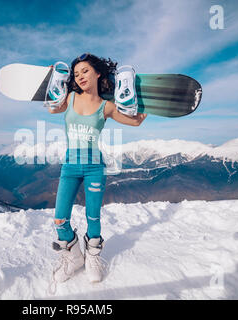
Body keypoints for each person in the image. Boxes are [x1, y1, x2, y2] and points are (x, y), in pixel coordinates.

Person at [48, 53, 147, 283]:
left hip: (95, 168)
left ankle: (92, 257)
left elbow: (135, 120)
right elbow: (53, 108)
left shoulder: (107, 106)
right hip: (70, 166)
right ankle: (73, 258)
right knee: (59, 219)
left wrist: (146, 102)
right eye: (76, 74)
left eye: (85, 71)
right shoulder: (70, 97)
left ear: (98, 73)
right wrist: (52, 80)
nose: (80, 76)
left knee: (93, 216)